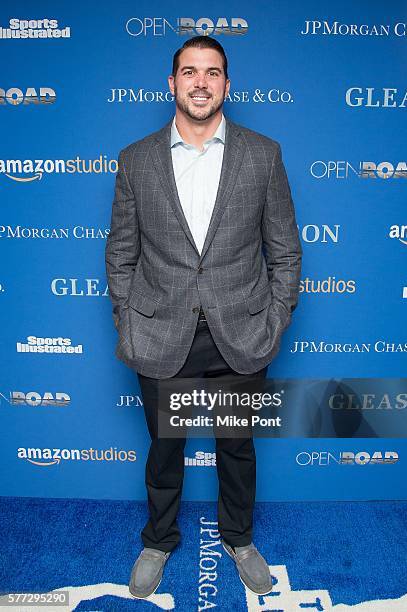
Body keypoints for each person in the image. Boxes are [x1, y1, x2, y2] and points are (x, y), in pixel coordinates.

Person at [105, 35, 302, 599]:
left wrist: (275, 317)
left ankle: (239, 538)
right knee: (165, 446)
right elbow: (121, 252)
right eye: (189, 72)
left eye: (212, 73)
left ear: (226, 85)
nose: (200, 82)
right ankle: (158, 540)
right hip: (161, 331)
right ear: (172, 83)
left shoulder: (263, 154)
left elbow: (284, 250)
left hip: (241, 332)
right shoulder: (136, 160)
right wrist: (129, 318)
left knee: (235, 446)